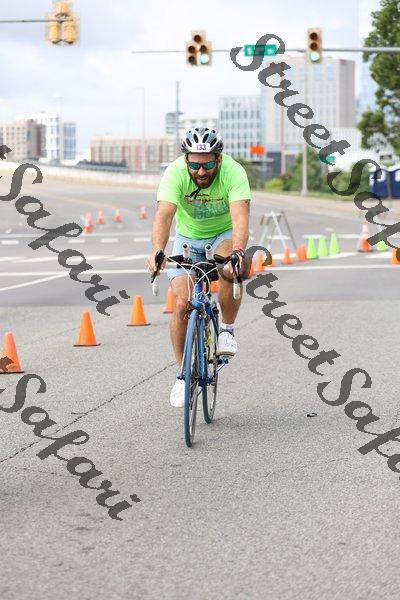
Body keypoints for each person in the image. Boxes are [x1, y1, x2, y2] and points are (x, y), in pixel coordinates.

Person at [147, 127, 251, 407]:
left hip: (223, 235)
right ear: (186, 161)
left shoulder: (233, 172)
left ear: (218, 159)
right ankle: (183, 375)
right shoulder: (175, 173)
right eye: (194, 165)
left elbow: (240, 218)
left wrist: (238, 252)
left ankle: (226, 330)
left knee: (229, 267)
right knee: (182, 303)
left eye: (206, 165)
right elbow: (164, 215)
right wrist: (157, 250)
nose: (200, 172)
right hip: (187, 239)